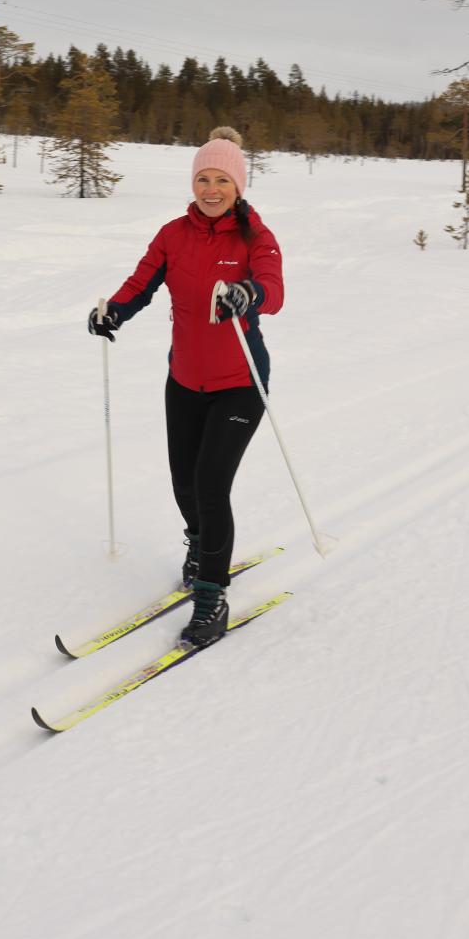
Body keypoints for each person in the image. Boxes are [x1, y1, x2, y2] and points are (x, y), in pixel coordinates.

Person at [88, 127, 284, 647]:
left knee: (211, 485)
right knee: (184, 485)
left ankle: (210, 596)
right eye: (203, 179)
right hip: (185, 379)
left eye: (222, 180)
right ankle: (201, 545)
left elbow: (274, 290)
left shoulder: (255, 238)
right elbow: (142, 283)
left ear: (239, 186)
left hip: (241, 383)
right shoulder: (173, 234)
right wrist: (114, 312)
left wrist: (249, 293)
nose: (212, 189)